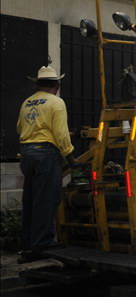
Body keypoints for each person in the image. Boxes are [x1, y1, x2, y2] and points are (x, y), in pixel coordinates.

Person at [16, 65, 76, 263]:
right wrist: (70, 156)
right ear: (57, 85)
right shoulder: (56, 103)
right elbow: (61, 133)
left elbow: (19, 127)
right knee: (46, 198)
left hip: (27, 153)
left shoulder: (27, 102)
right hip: (46, 153)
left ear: (38, 84)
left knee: (31, 199)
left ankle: (28, 243)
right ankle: (42, 242)